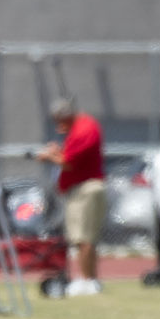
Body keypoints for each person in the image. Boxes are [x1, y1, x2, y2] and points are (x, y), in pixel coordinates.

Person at [35, 97, 107, 296]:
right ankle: (90, 280)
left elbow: (69, 162)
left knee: (82, 237)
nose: (59, 125)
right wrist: (57, 152)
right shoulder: (78, 129)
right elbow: (70, 156)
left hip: (85, 189)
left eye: (60, 120)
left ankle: (86, 280)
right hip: (81, 188)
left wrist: (50, 156)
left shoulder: (85, 128)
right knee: (85, 237)